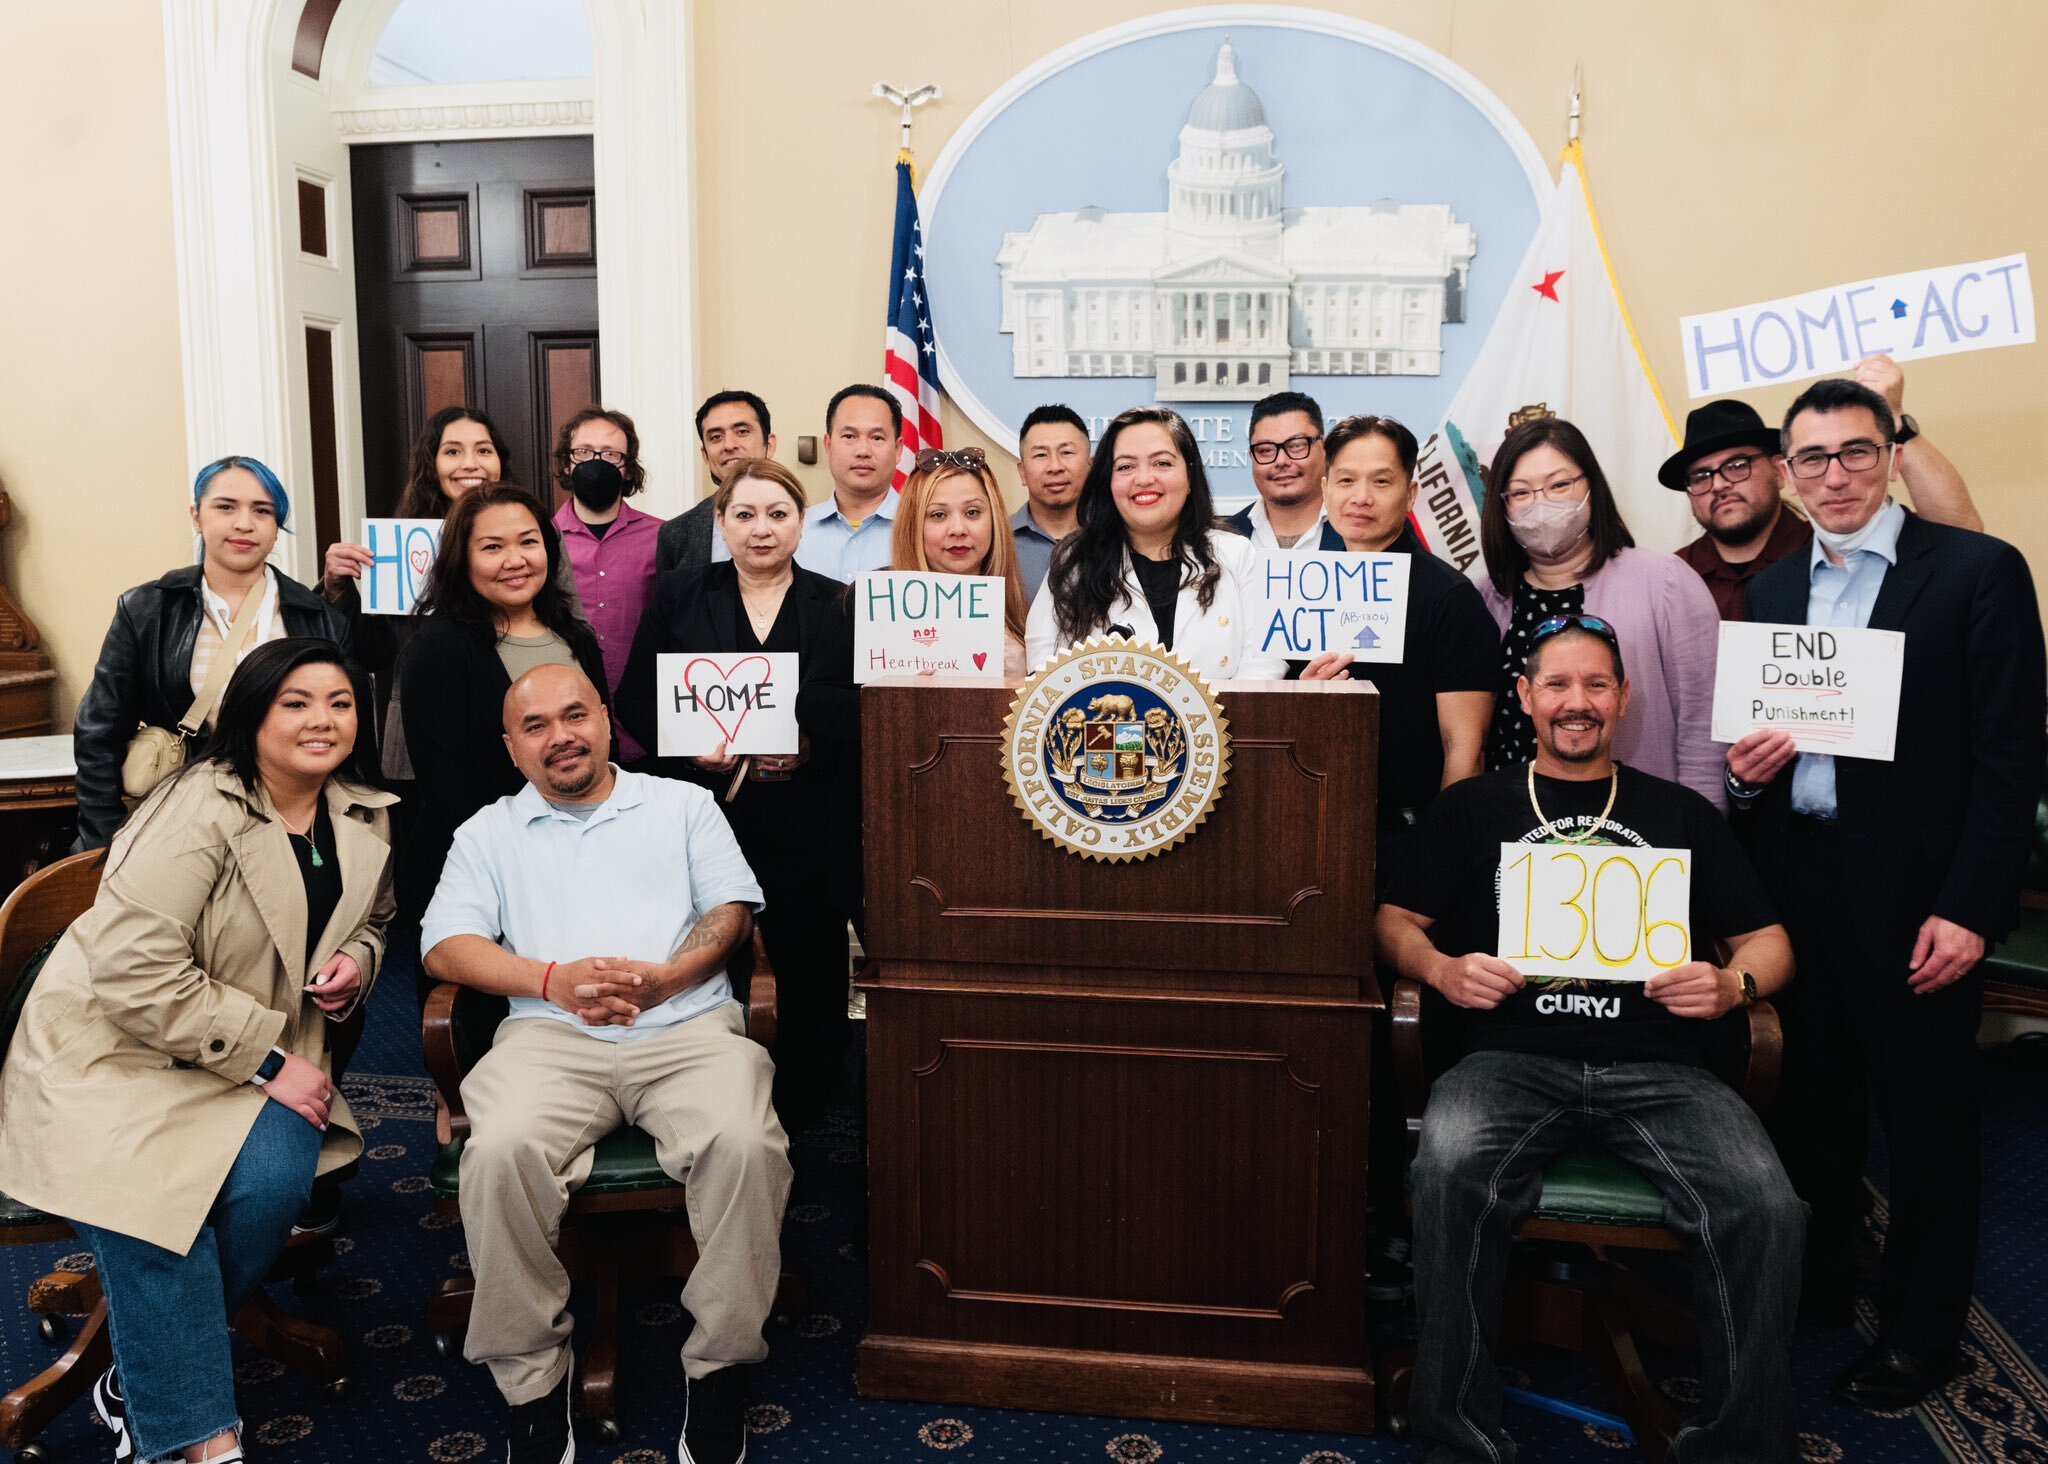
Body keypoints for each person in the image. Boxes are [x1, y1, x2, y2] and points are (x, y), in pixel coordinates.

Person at [1377, 616, 1802, 1464]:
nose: (1578, 703)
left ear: (1623, 698)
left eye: (1597, 685)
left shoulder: (1679, 811)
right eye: (1559, 686)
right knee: (1449, 1168)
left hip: (1660, 1067)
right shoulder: (1474, 808)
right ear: (1527, 699)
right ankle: (1455, 1428)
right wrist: (1440, 967)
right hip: (1508, 1061)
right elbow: (1392, 921)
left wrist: (1731, 985)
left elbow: (1770, 942)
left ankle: (1738, 1446)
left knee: (1768, 1205)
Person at [1724, 376, 2045, 1408]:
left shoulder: (1975, 573)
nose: (1833, 476)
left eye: (1855, 451)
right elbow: (1755, 762)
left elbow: (2008, 761)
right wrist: (1742, 777)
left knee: (1926, 1121)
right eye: (1810, 459)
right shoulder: (1772, 589)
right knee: (1810, 1110)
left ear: (1892, 451)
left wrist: (1969, 908)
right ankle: (1819, 1288)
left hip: (1920, 901)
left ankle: (1922, 1333)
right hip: (1800, 888)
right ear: (1785, 472)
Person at [1, 638, 394, 1464]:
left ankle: (137, 1368)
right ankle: (196, 1441)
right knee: (157, 1211)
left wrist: (358, 958)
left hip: (244, 1058)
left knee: (280, 1174)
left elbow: (375, 915)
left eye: (340, 702)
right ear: (250, 714)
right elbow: (133, 975)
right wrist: (273, 1062)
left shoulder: (361, 807)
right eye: (296, 703)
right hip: (116, 1054)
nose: (322, 720)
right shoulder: (198, 808)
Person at [422, 662, 790, 1464]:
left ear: (605, 718)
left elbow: (731, 911)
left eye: (574, 715)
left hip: (685, 1028)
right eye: (536, 726)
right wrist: (551, 981)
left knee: (745, 1142)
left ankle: (722, 1366)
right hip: (550, 1038)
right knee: (500, 1148)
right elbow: (446, 944)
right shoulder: (487, 833)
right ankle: (532, 1383)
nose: (561, 737)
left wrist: (667, 981)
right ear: (512, 748)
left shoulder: (683, 805)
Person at [618, 457, 862, 1130]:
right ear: (720, 523)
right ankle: (705, 1093)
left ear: (801, 523)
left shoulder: (837, 601)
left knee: (809, 961)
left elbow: (860, 710)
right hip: (708, 813)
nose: (762, 530)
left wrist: (816, 741)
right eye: (745, 515)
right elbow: (634, 699)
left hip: (808, 819)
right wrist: (687, 741)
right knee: (707, 958)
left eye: (778, 514)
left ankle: (808, 1094)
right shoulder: (679, 596)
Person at [72, 455, 348, 851]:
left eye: (262, 511)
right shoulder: (147, 610)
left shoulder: (317, 617)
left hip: (291, 821)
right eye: (225, 507)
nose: (244, 523)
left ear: (276, 527)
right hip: (180, 825)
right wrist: (106, 842)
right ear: (197, 517)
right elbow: (99, 733)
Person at [397, 484, 608, 1001]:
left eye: (528, 543)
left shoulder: (576, 637)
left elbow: (602, 750)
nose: (515, 561)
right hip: (475, 864)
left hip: (583, 858)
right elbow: (446, 784)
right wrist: (536, 852)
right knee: (480, 1029)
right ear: (461, 559)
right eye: (492, 547)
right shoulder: (434, 648)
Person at [1476, 416, 1725, 808]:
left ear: (1591, 485)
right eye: (1521, 493)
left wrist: (1699, 828)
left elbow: (1703, 726)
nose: (1541, 504)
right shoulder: (1485, 597)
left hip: (1638, 831)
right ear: (1501, 506)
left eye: (1559, 485)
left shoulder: (1665, 582)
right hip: (1511, 822)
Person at [1661, 356, 1980, 620]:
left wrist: (1896, 422)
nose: (1718, 484)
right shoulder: (1671, 580)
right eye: (1701, 477)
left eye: (1736, 466)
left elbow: (1960, 542)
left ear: (1780, 471)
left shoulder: (1836, 543)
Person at [1310, 415, 1495, 868]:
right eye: (1346, 480)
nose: (1361, 497)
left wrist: (1439, 857)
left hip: (1411, 839)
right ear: (1324, 488)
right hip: (1310, 828)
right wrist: (1305, 695)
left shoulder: (1450, 598)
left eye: (1382, 481)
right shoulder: (1299, 586)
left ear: (1410, 493)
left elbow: (1464, 749)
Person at [1026, 406, 1293, 682]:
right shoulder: (1074, 561)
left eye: (1162, 463)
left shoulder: (1238, 554)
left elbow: (1264, 661)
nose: (1144, 479)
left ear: (1190, 477)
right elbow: (1043, 671)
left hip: (1224, 723)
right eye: (1126, 466)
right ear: (1109, 482)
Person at [550, 405, 662, 763]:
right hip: (563, 731)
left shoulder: (663, 536)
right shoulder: (537, 539)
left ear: (627, 466)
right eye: (583, 452)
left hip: (647, 728)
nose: (596, 463)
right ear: (567, 464)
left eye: (611, 454)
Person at [892, 447, 1031, 676]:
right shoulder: (878, 618)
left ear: (994, 518)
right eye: (938, 515)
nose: (958, 529)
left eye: (972, 512)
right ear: (913, 526)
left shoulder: (1024, 615)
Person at [658, 389, 778, 576]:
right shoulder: (676, 534)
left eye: (742, 431)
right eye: (716, 437)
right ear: (705, 455)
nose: (729, 445)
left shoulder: (804, 522)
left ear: (769, 445)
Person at [795, 383, 902, 582]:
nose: (863, 450)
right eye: (849, 436)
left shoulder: (923, 528)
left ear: (898, 449)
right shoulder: (794, 528)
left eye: (877, 438)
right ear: (828, 445)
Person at [1223, 390, 1326, 549]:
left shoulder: (1365, 530)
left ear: (1325, 448)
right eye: (1265, 450)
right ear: (1252, 457)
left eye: (1296, 445)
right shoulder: (1223, 540)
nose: (1281, 461)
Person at [1010, 403, 1089, 596]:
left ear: (1090, 466)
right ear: (1022, 472)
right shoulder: (996, 541)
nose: (1055, 466)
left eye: (1066, 452)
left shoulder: (1118, 537)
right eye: (1041, 455)